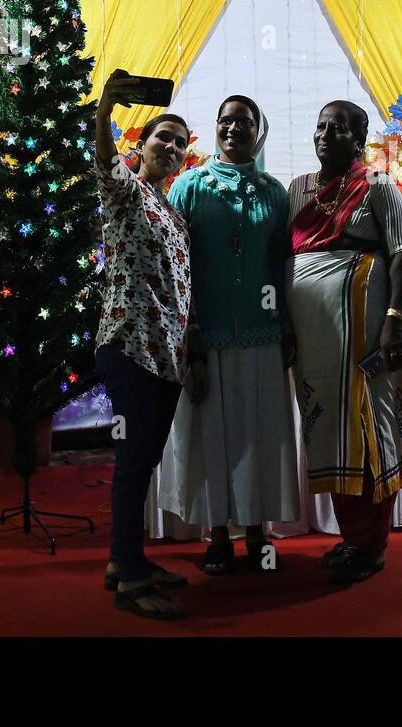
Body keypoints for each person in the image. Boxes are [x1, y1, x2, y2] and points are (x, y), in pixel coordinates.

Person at [155, 95, 301, 574]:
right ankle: (218, 534)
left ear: (259, 131)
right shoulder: (189, 187)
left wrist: (288, 326)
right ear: (215, 129)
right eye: (225, 120)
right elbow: (176, 267)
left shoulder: (274, 192)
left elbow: (283, 264)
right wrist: (190, 341)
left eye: (243, 121)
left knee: (260, 436)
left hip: (262, 336)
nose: (233, 128)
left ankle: (258, 533)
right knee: (211, 437)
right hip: (207, 335)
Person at [286, 101, 402, 584]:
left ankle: (372, 544)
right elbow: (283, 255)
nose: (325, 134)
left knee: (368, 426)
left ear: (359, 139)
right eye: (320, 126)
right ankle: (351, 535)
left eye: (338, 128)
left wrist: (393, 320)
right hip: (314, 335)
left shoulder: (379, 188)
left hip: (364, 327)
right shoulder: (298, 188)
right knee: (330, 426)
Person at [94, 70, 200, 619]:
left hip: (167, 356)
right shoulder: (126, 190)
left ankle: (123, 560)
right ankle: (131, 577)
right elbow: (102, 158)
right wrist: (107, 106)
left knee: (144, 459)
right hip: (132, 348)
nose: (173, 148)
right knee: (134, 461)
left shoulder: (173, 213)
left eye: (181, 143)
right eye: (164, 138)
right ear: (142, 144)